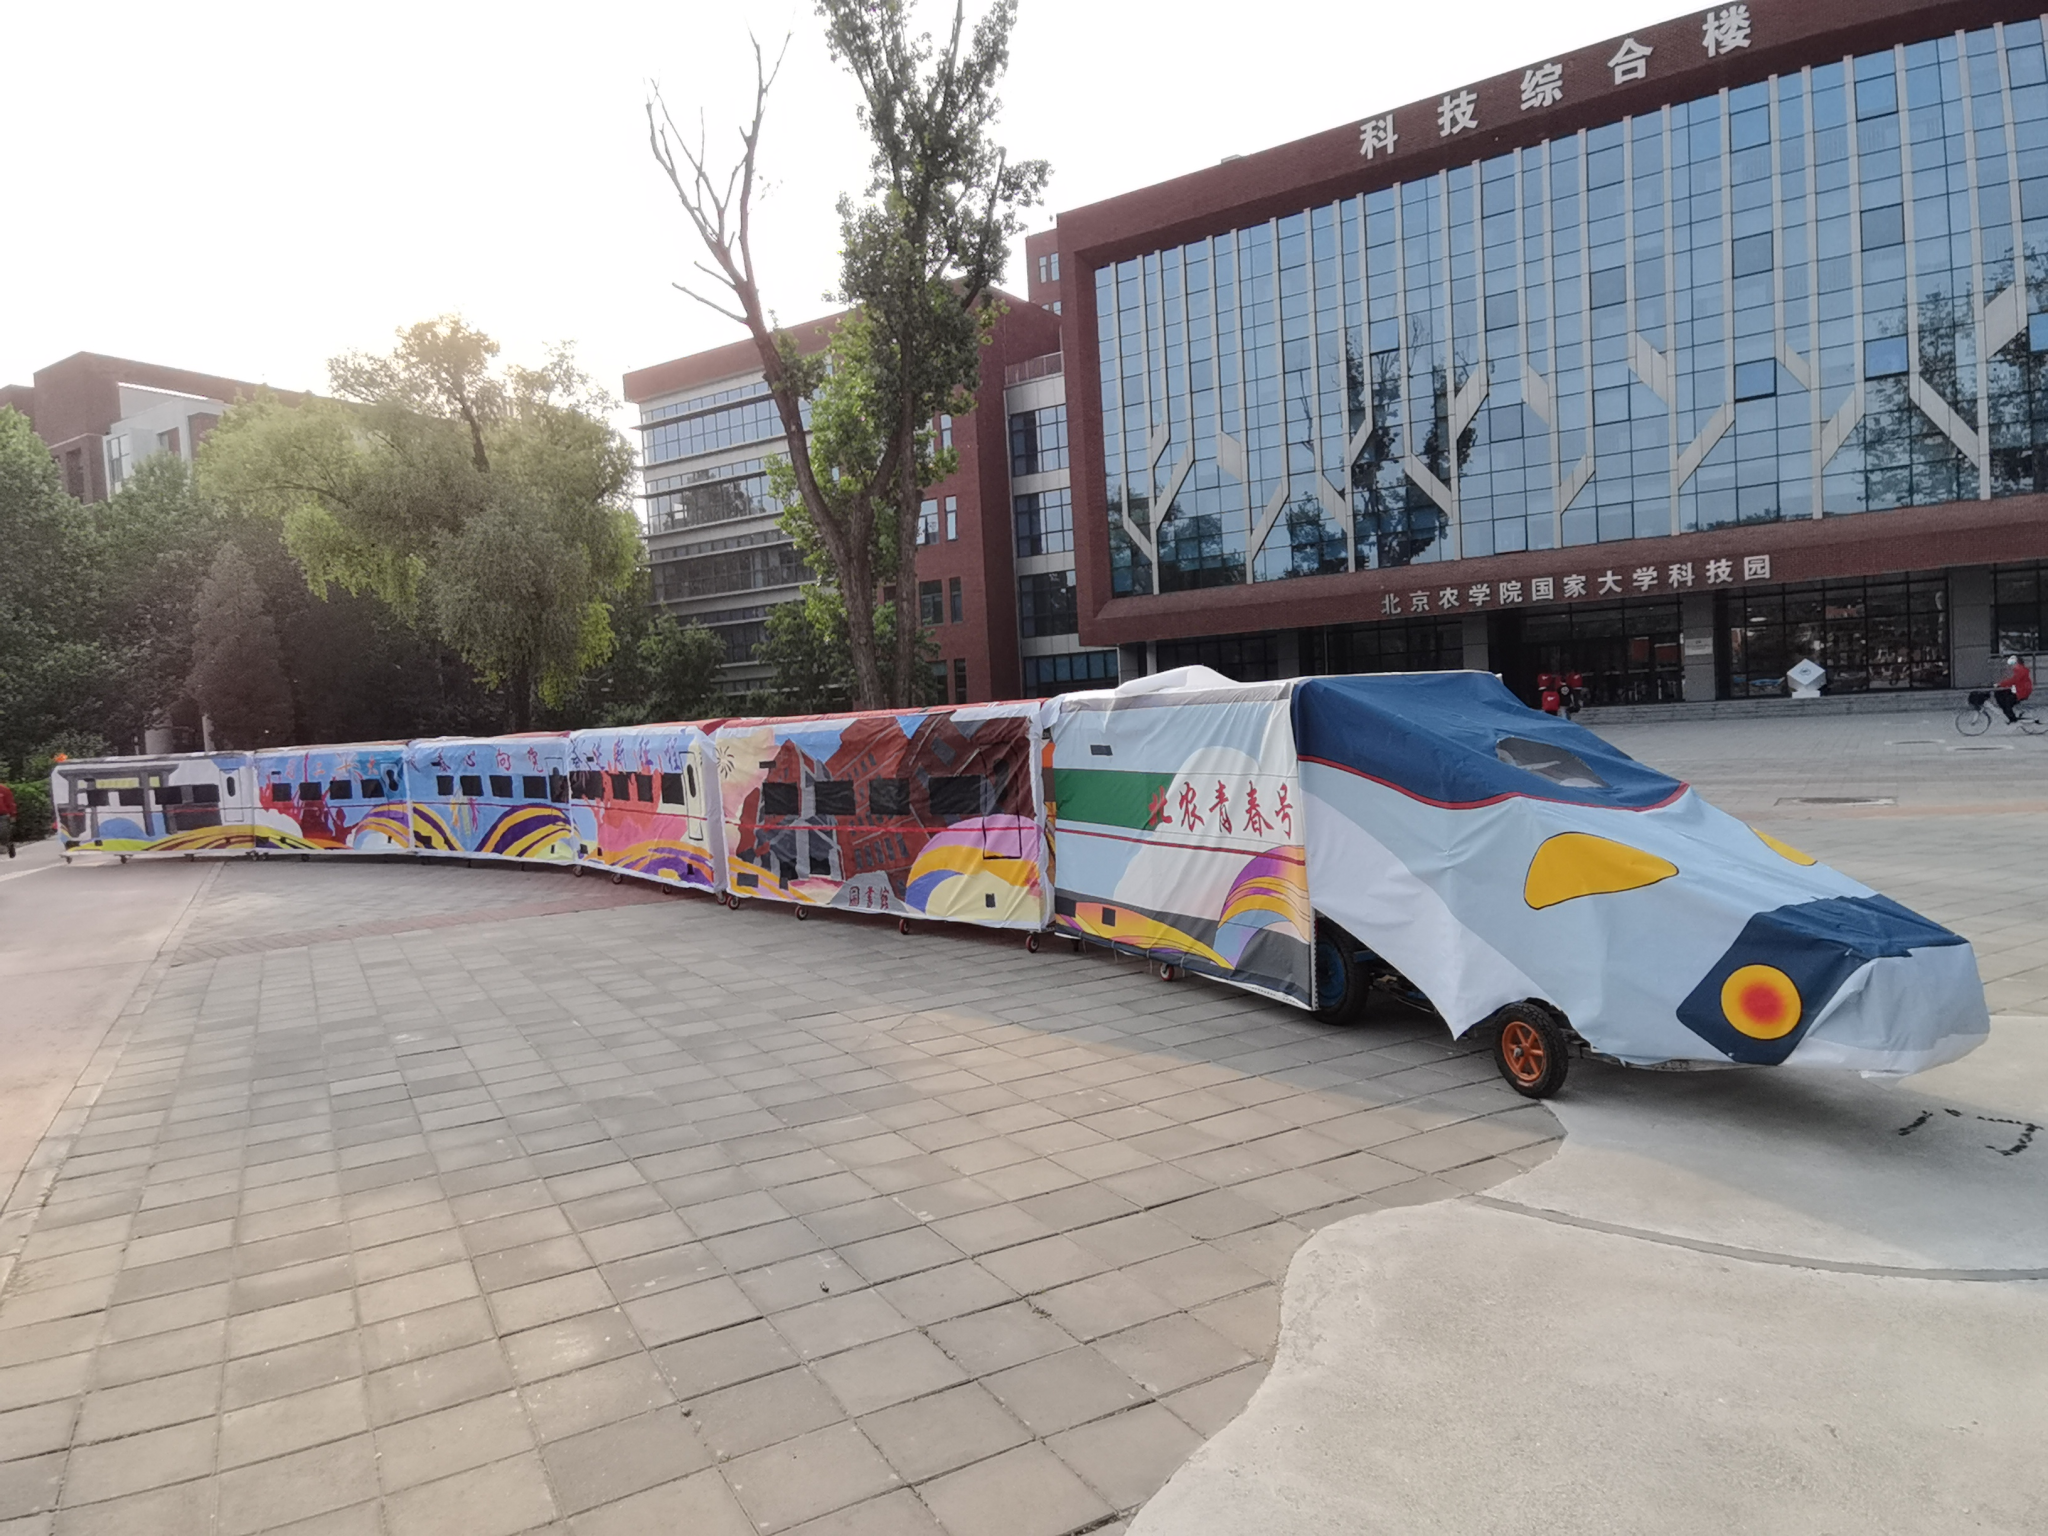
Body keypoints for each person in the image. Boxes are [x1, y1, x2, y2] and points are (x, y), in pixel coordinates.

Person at [1970, 654, 2033, 725]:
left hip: (2021, 692)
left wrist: (2000, 684)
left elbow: (2013, 681)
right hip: (2019, 691)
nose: (2011, 665)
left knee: (2006, 703)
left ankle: (2013, 720)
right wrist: (2000, 684)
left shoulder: (2021, 670)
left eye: (2013, 663)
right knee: (2000, 694)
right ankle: (2008, 715)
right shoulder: (2018, 670)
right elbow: (2011, 680)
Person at [0, 781, 14, 858]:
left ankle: (7, 845)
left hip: (3, 815)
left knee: (3, 832)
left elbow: (10, 803)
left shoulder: (4, 790)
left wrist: (13, 814)